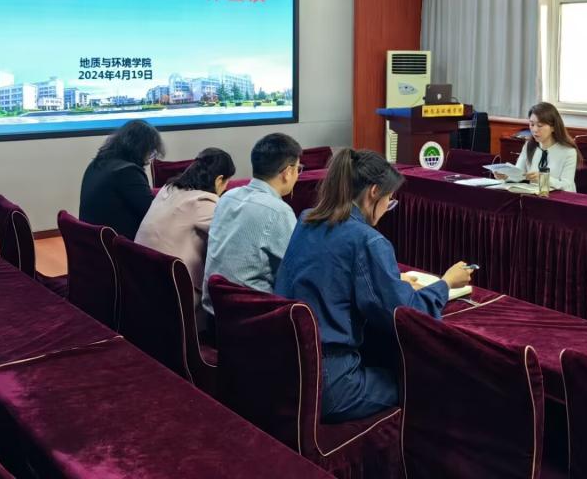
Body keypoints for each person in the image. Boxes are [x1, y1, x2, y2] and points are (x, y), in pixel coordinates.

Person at [276, 148, 472, 423]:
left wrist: (391, 282)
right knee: (428, 379)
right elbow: (405, 314)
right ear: (374, 192)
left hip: (287, 368)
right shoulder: (367, 239)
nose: (386, 208)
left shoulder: (307, 219)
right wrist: (445, 283)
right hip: (332, 385)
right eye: (389, 200)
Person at [201, 133, 302, 322]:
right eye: (298, 168)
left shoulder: (228, 197)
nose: (298, 174)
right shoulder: (278, 211)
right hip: (252, 320)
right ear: (288, 172)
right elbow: (297, 270)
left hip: (214, 314)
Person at [135, 148, 236, 317]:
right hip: (174, 289)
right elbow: (232, 235)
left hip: (140, 281)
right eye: (227, 183)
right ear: (219, 180)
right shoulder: (202, 201)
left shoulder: (168, 189)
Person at [79, 120, 163, 239]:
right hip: (116, 243)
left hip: (92, 240)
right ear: (141, 148)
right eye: (151, 151)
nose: (150, 158)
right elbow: (152, 214)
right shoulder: (128, 171)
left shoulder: (98, 163)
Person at [509, 102, 579, 192]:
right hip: (533, 196)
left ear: (553, 127)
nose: (534, 130)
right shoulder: (529, 145)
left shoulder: (568, 151)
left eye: (540, 126)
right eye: (532, 124)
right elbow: (518, 174)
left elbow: (567, 186)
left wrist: (543, 178)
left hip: (558, 198)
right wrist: (506, 176)